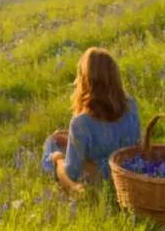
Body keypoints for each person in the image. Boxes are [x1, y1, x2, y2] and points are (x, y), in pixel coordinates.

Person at [41, 47, 141, 192]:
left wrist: (59, 159)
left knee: (52, 143)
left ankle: (51, 173)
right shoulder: (130, 104)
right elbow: (137, 142)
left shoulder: (81, 122)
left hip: (100, 178)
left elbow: (72, 173)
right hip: (128, 169)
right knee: (59, 135)